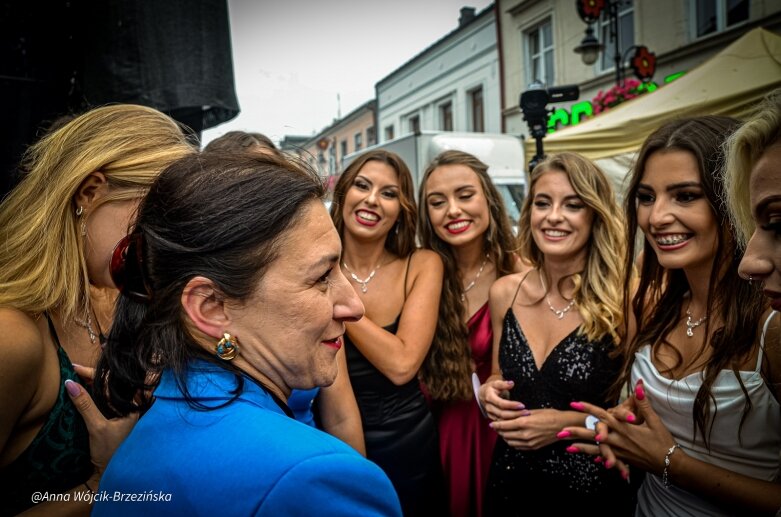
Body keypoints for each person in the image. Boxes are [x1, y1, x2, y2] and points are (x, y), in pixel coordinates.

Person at [91, 152, 401, 515]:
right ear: (212, 307)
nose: (354, 305)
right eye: (321, 277)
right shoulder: (313, 477)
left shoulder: (135, 446)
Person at [564, 115, 781, 515]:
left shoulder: (773, 326)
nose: (656, 216)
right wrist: (621, 431)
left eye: (684, 196)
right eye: (646, 197)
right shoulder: (651, 303)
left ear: (731, 198)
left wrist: (671, 463)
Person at [0, 104, 195, 515]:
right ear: (90, 192)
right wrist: (104, 481)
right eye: (152, 220)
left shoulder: (111, 302)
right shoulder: (10, 334)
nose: (160, 245)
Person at [479, 152, 634, 514]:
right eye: (542, 203)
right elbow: (499, 374)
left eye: (573, 205)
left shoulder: (624, 301)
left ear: (595, 215)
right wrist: (490, 390)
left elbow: (641, 417)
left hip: (589, 491)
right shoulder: (505, 293)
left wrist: (569, 422)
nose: (553, 216)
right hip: (509, 481)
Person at [202, 130, 365, 455]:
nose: (352, 306)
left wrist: (357, 480)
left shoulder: (319, 310)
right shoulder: (209, 295)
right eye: (320, 277)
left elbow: (342, 416)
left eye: (272, 178)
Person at [330, 149, 447, 516]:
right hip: (335, 434)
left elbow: (402, 363)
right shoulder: (317, 263)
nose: (371, 200)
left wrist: (333, 293)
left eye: (388, 193)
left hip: (410, 441)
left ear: (402, 210)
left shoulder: (422, 264)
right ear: (343, 193)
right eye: (362, 186)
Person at [417, 150, 518, 517]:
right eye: (437, 202)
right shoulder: (420, 277)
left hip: (505, 435)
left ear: (488, 199)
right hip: (438, 437)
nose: (453, 210)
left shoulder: (520, 270)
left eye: (465, 195)